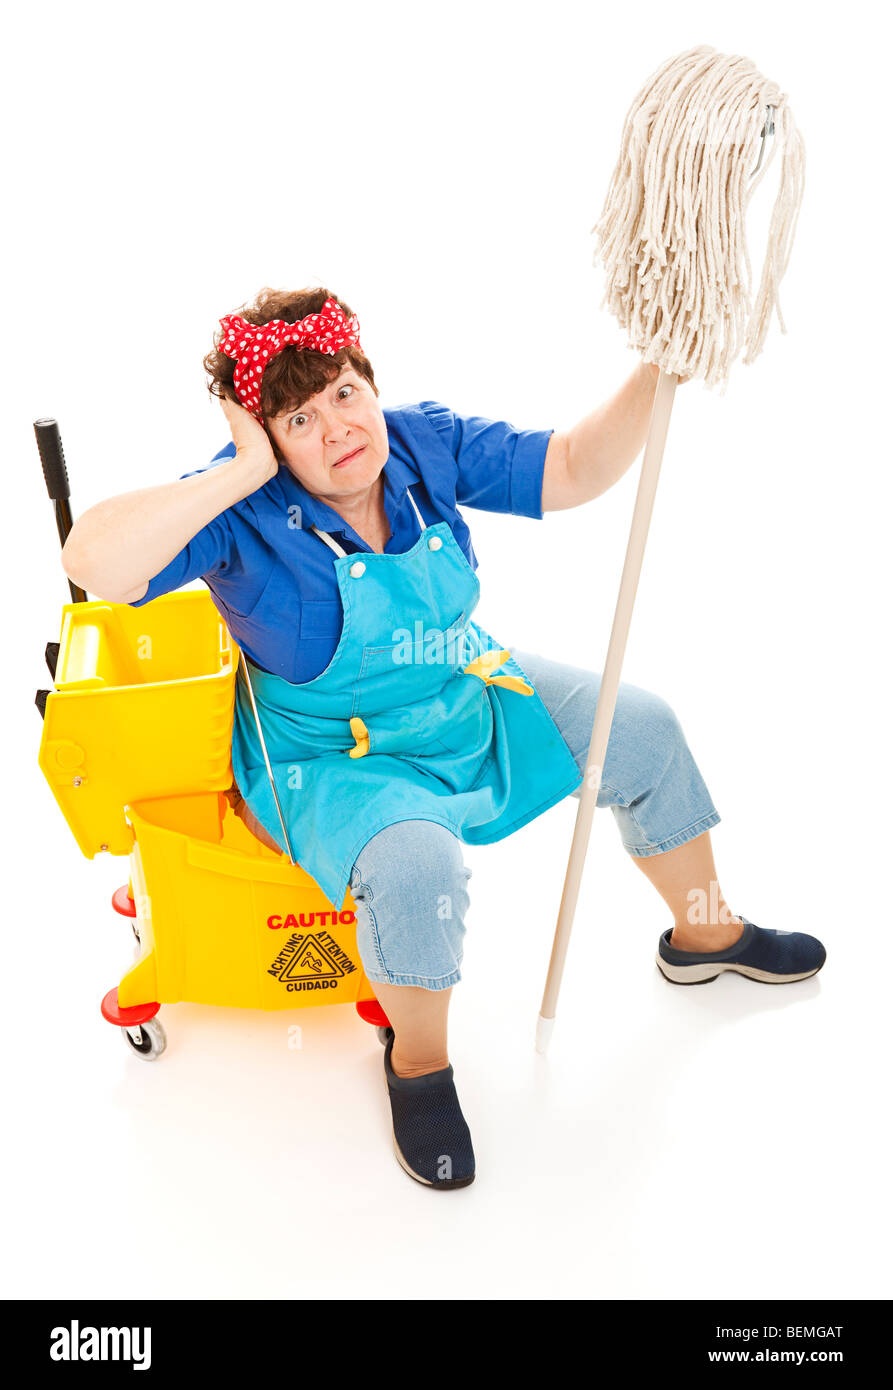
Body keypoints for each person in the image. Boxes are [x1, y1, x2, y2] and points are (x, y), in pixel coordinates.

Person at [60, 286, 826, 1190]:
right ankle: (418, 1066)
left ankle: (705, 935)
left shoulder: (421, 442)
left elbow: (573, 466)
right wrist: (237, 469)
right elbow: (92, 562)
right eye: (299, 418)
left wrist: (658, 366)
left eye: (345, 392)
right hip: (327, 759)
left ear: (370, 383)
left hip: (462, 688)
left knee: (642, 728)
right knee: (416, 867)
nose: (339, 427)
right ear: (266, 440)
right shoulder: (243, 512)